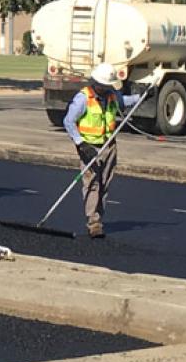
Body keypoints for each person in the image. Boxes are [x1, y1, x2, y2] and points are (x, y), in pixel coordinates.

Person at [63, 63, 149, 238]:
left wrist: (142, 96)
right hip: (90, 148)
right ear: (97, 83)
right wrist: (81, 144)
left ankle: (99, 218)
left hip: (109, 145)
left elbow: (124, 102)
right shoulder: (83, 99)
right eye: (105, 85)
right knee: (92, 184)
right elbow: (68, 121)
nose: (108, 88)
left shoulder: (112, 96)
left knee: (104, 184)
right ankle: (93, 222)